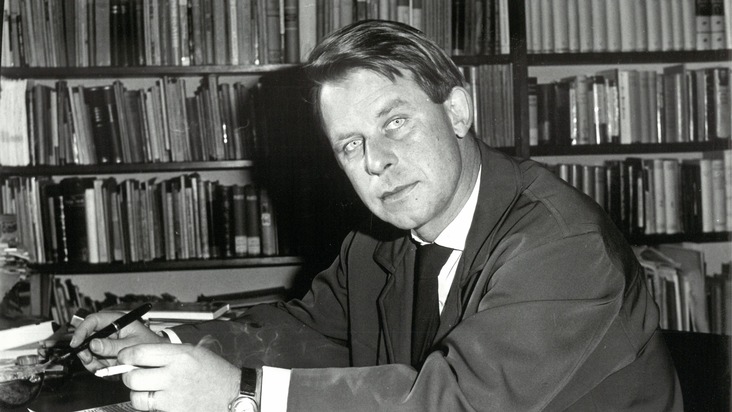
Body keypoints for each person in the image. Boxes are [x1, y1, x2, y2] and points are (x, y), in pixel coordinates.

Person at [71, 20, 682, 411]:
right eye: (350, 144)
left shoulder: (563, 245)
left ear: (458, 111)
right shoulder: (378, 240)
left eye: (395, 122)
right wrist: (163, 345)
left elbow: (453, 402)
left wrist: (242, 393)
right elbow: (309, 332)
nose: (376, 162)